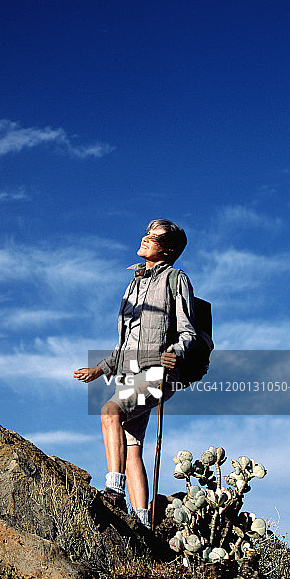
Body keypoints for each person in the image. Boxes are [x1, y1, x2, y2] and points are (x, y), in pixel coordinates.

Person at [73, 219, 196, 528]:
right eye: (146, 233)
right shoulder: (134, 283)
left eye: (151, 237)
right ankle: (142, 522)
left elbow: (189, 332)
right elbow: (125, 344)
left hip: (157, 374)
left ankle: (114, 491)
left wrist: (175, 352)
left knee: (110, 411)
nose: (143, 239)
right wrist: (99, 369)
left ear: (166, 250)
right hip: (129, 375)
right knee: (132, 447)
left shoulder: (175, 279)